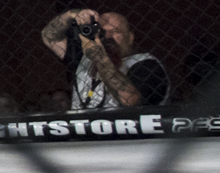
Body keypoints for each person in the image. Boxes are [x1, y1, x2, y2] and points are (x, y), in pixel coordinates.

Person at [41, 8, 171, 108]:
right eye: (101, 31)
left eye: (115, 31)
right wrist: (71, 15)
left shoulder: (145, 64)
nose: (108, 36)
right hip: (82, 133)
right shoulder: (85, 60)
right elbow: (49, 36)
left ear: (130, 38)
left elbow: (129, 99)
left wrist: (99, 56)